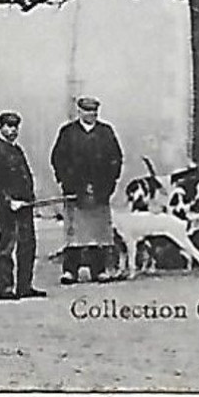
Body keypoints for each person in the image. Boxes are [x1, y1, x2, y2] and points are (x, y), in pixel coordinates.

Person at [49, 95, 122, 284]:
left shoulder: (106, 132)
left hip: (100, 190)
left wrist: (108, 185)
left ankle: (98, 270)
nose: (91, 114)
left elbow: (115, 159)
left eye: (94, 111)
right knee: (74, 233)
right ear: (79, 111)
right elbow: (58, 159)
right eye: (87, 111)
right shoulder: (68, 132)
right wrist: (66, 182)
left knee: (98, 233)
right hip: (75, 190)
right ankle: (70, 271)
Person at [0, 111, 46, 301]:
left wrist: (29, 199)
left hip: (25, 206)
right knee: (7, 247)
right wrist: (10, 202)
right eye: (8, 126)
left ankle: (24, 286)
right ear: (0, 128)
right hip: (8, 208)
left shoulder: (17, 150)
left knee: (27, 245)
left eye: (15, 127)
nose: (12, 130)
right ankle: (6, 288)